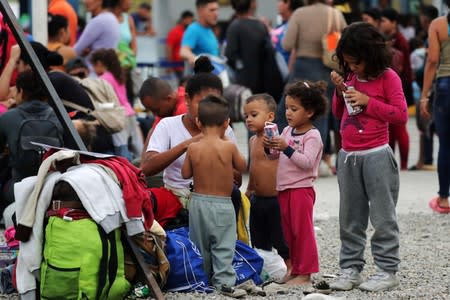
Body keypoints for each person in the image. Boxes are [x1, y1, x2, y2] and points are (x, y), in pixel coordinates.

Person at [329, 22, 407, 292]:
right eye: (347, 63)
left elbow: (400, 114)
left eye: (356, 63)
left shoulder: (388, 77)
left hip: (377, 154)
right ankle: (350, 268)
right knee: (350, 217)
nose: (352, 68)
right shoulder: (350, 76)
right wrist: (340, 90)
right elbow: (341, 113)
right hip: (348, 155)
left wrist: (368, 101)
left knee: (383, 216)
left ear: (370, 55)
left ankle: (387, 269)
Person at [142, 57, 238, 207]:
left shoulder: (225, 131)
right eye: (202, 102)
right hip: (176, 199)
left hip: (212, 200)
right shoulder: (168, 125)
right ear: (187, 99)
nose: (208, 109)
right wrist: (190, 143)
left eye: (215, 103)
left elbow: (237, 178)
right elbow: (147, 168)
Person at [181, 95, 247, 296]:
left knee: (200, 244)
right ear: (226, 123)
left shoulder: (193, 147)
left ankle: (202, 279)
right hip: (222, 204)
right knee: (224, 243)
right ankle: (224, 281)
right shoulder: (228, 146)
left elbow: (185, 174)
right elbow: (243, 166)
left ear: (199, 122)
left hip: (198, 203)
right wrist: (226, 139)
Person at [263, 80, 325, 285]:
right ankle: (295, 269)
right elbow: (275, 157)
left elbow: (307, 163)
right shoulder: (288, 131)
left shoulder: (313, 135)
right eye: (287, 108)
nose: (288, 113)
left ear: (309, 112)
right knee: (289, 233)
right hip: (284, 189)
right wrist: (270, 146)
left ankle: (305, 274)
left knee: (303, 232)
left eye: (294, 109)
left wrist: (286, 148)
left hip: (301, 189)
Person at [281, 0, 347, 175]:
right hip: (327, 68)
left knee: (292, 109)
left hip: (303, 68)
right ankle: (317, 160)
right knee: (320, 114)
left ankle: (293, 154)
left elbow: (287, 44)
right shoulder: (335, 14)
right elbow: (346, 41)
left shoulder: (299, 14)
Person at [0, 70, 64, 207]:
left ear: (21, 91)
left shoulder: (7, 118)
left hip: (18, 189)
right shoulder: (60, 117)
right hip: (53, 189)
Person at [243, 93, 290, 277]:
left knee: (281, 238)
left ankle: (291, 268)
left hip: (275, 197)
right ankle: (267, 270)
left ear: (270, 116)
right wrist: (248, 189)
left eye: (253, 115)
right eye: (246, 116)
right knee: (259, 238)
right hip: (257, 198)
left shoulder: (273, 139)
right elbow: (254, 167)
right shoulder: (252, 140)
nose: (248, 119)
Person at [420, 0, 450, 214]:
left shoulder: (439, 25)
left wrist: (423, 96)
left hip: (445, 86)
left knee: (446, 145)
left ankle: (443, 199)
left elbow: (432, 60)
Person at [90, 48, 143, 160]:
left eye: (94, 66)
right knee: (137, 147)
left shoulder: (103, 79)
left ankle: (125, 171)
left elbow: (109, 103)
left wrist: (97, 109)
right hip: (129, 112)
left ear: (99, 63)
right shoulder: (118, 75)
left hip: (117, 115)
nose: (93, 70)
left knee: (121, 149)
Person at [380, 8, 411, 170]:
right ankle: (390, 163)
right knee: (390, 128)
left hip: (398, 86)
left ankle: (404, 165)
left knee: (399, 129)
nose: (381, 23)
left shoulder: (399, 40)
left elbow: (403, 68)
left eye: (384, 20)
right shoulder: (388, 39)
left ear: (394, 23)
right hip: (392, 86)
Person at [225, 0, 268, 94]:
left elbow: (230, 54)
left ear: (233, 7)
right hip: (262, 79)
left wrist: (240, 68)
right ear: (250, 5)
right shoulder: (260, 25)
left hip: (243, 81)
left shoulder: (234, 26)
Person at [180, 0, 220, 66]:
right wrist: (194, 58)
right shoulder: (194, 29)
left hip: (213, 74)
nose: (216, 14)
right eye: (212, 10)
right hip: (202, 75)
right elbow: (183, 51)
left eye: (217, 10)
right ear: (200, 11)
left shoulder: (209, 29)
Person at [272, 0, 303, 71]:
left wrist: (288, 75)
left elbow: (294, 51)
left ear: (288, 3)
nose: (278, 4)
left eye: (280, 1)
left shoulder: (293, 26)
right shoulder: (281, 26)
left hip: (285, 73)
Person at [166, 10, 195, 78]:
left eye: (191, 20)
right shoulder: (175, 31)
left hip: (190, 64)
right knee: (182, 84)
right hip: (178, 65)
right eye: (188, 20)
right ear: (183, 19)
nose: (190, 22)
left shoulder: (191, 31)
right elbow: (169, 48)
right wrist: (170, 64)